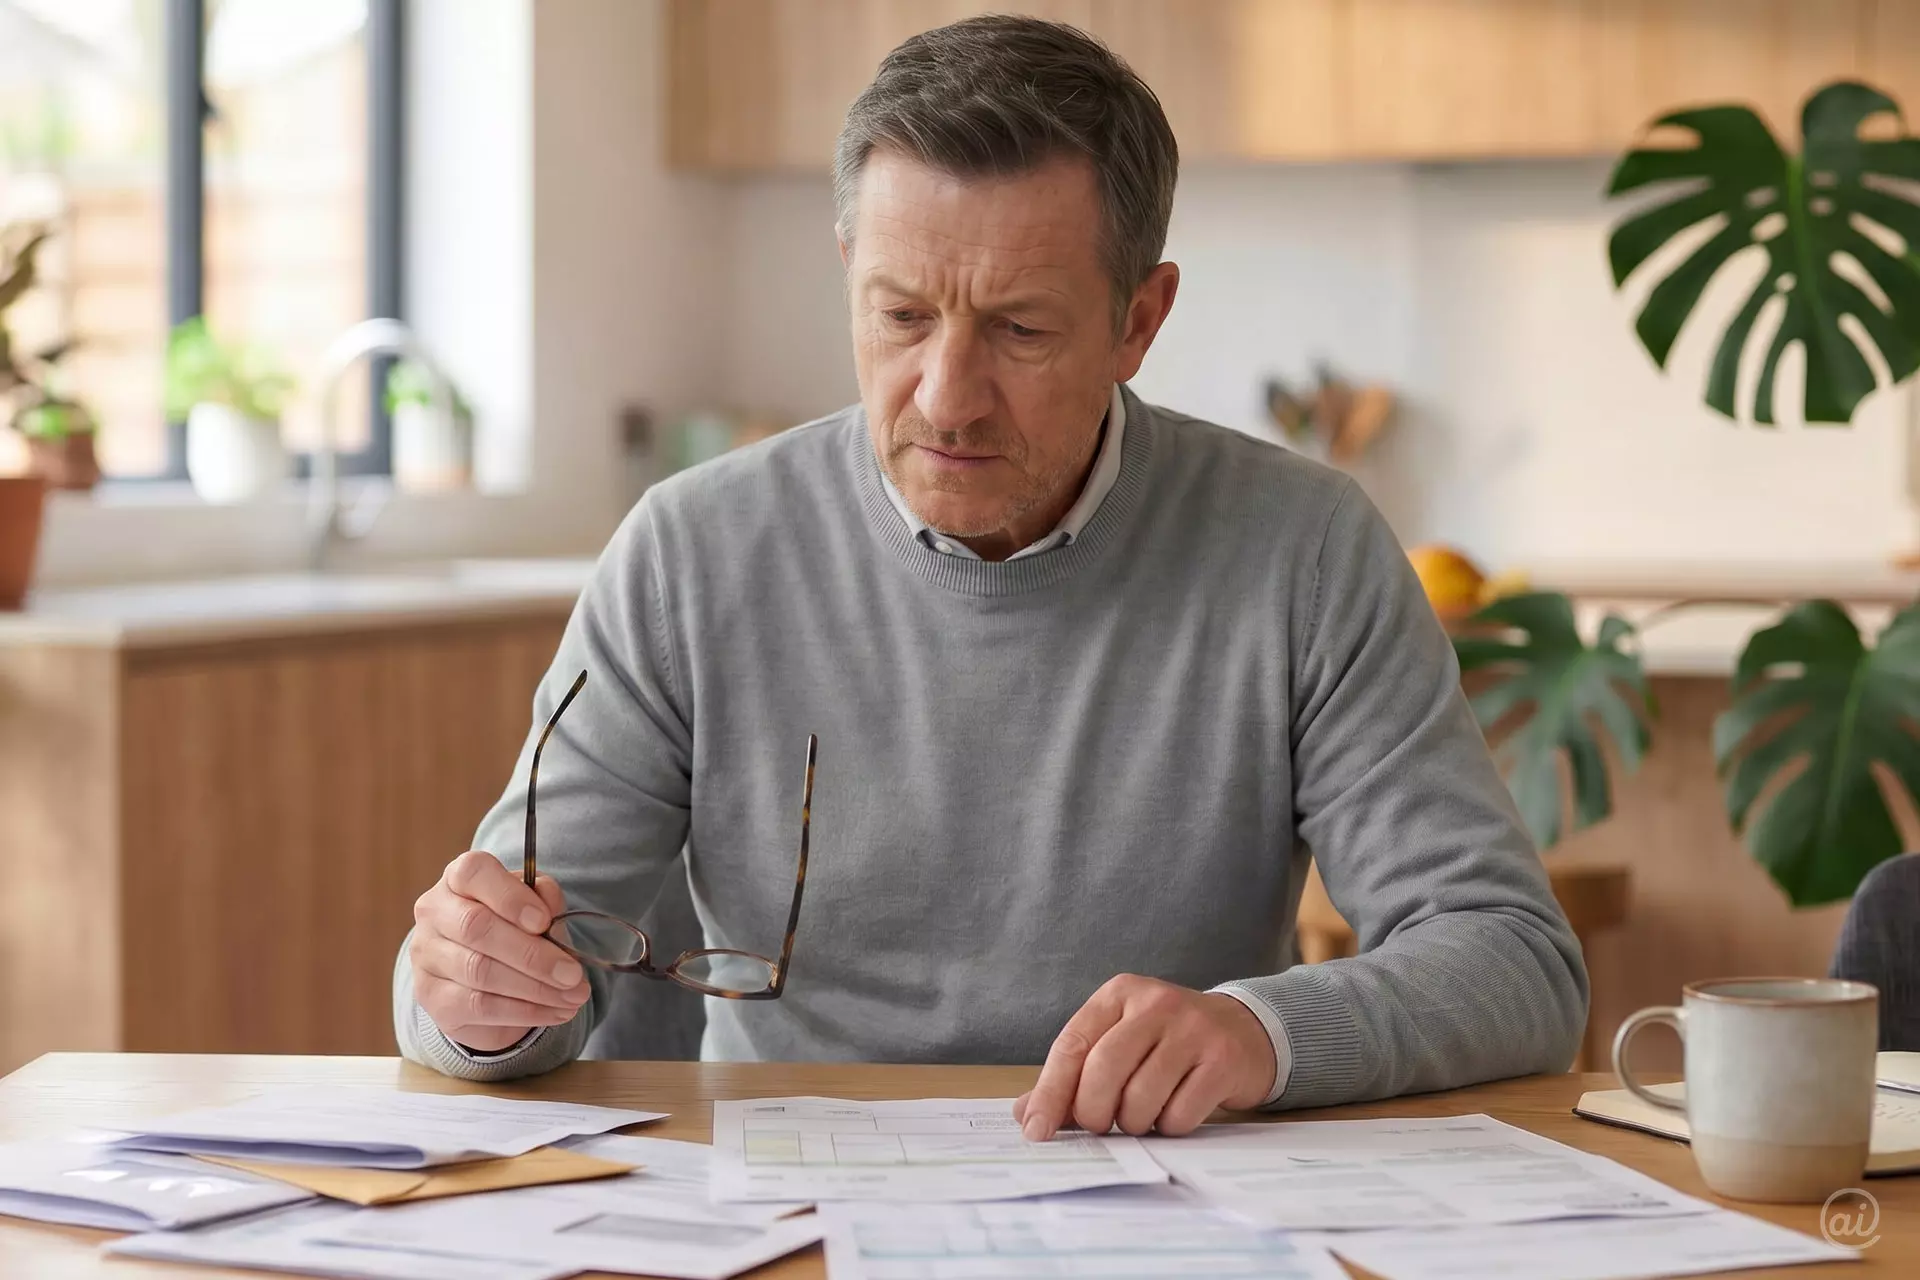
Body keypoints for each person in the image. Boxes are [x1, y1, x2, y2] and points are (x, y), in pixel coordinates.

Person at [395, 14, 1586, 1138]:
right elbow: (480, 978)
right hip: (783, 1202)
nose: (947, 396)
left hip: (1166, 1211)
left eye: (1020, 329)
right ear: (848, 270)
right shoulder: (687, 551)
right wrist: (469, 996)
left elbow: (1514, 960)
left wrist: (1266, 1031)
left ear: (1141, 319)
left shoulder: (1303, 548)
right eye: (902, 315)